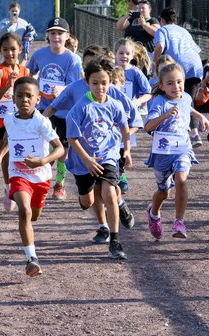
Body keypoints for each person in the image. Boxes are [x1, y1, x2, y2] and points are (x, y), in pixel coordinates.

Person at [0, 76, 64, 276]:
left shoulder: (42, 122)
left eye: (29, 96)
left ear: (37, 99)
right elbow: (9, 139)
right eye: (20, 96)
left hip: (41, 176)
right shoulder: (9, 119)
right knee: (24, 210)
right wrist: (0, 156)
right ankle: (32, 259)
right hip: (18, 174)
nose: (24, 99)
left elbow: (59, 149)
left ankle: (30, 233)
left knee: (34, 215)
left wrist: (42, 161)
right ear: (13, 98)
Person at [66, 59, 132, 260]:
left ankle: (115, 241)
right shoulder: (80, 107)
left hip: (108, 154)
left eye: (104, 83)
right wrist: (87, 160)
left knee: (108, 193)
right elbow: (72, 138)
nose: (100, 87)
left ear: (110, 82)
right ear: (87, 82)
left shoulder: (115, 105)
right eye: (95, 83)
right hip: (84, 160)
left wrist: (127, 149)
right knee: (88, 202)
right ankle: (115, 205)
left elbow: (124, 126)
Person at [145, 63, 209, 239]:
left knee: (181, 179)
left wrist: (200, 116)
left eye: (179, 82)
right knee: (163, 192)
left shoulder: (186, 97)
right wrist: (165, 115)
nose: (176, 87)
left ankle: (179, 222)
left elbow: (186, 106)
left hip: (182, 149)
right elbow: (148, 126)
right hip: (163, 152)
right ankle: (153, 213)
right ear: (162, 86)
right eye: (170, 83)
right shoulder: (159, 102)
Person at [26, 18, 83, 200]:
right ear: (48, 36)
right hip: (44, 108)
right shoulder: (39, 54)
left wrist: (62, 89)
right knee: (41, 145)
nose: (56, 36)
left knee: (63, 149)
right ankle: (38, 182)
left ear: (67, 36)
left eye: (60, 33)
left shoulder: (73, 59)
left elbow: (75, 86)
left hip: (65, 111)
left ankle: (59, 183)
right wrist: (33, 86)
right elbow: (30, 73)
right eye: (52, 33)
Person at [0, 32, 30, 210]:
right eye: (5, 50)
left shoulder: (24, 71)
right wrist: (8, 85)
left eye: (13, 49)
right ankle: (8, 187)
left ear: (20, 49)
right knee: (5, 156)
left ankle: (21, 186)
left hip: (16, 118)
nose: (9, 53)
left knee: (13, 148)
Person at [114, 37, 152, 188]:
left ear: (133, 55)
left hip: (127, 117)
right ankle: (111, 175)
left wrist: (136, 102)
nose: (124, 56)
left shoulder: (135, 72)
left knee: (123, 146)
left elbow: (148, 93)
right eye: (121, 53)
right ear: (115, 54)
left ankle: (121, 175)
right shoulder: (110, 70)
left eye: (127, 53)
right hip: (110, 114)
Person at [153, 7, 203, 94]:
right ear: (175, 20)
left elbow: (160, 45)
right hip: (196, 68)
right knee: (188, 99)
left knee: (173, 97)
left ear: (162, 20)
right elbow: (197, 51)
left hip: (179, 69)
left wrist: (154, 63)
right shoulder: (184, 31)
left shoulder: (162, 30)